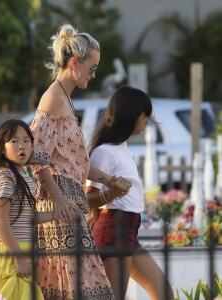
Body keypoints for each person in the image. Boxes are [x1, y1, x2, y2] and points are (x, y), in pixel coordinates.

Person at [29, 24, 131, 299]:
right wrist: (60, 198)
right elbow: (36, 158)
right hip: (59, 203)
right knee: (81, 289)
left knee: (78, 288)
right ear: (75, 62)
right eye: (92, 68)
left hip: (70, 202)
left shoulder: (64, 99)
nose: (94, 75)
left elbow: (76, 164)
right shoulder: (52, 98)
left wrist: (108, 180)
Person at [86, 86, 174, 300]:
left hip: (128, 232)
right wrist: (111, 195)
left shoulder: (120, 147)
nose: (146, 122)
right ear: (132, 115)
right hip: (115, 229)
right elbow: (87, 199)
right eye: (145, 116)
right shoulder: (104, 152)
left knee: (164, 293)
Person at [0, 119, 59, 300]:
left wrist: (56, 214)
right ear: (2, 148)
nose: (21, 146)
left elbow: (28, 218)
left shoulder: (25, 174)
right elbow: (0, 221)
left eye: (26, 140)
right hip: (8, 255)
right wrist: (18, 257)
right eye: (14, 141)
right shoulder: (5, 175)